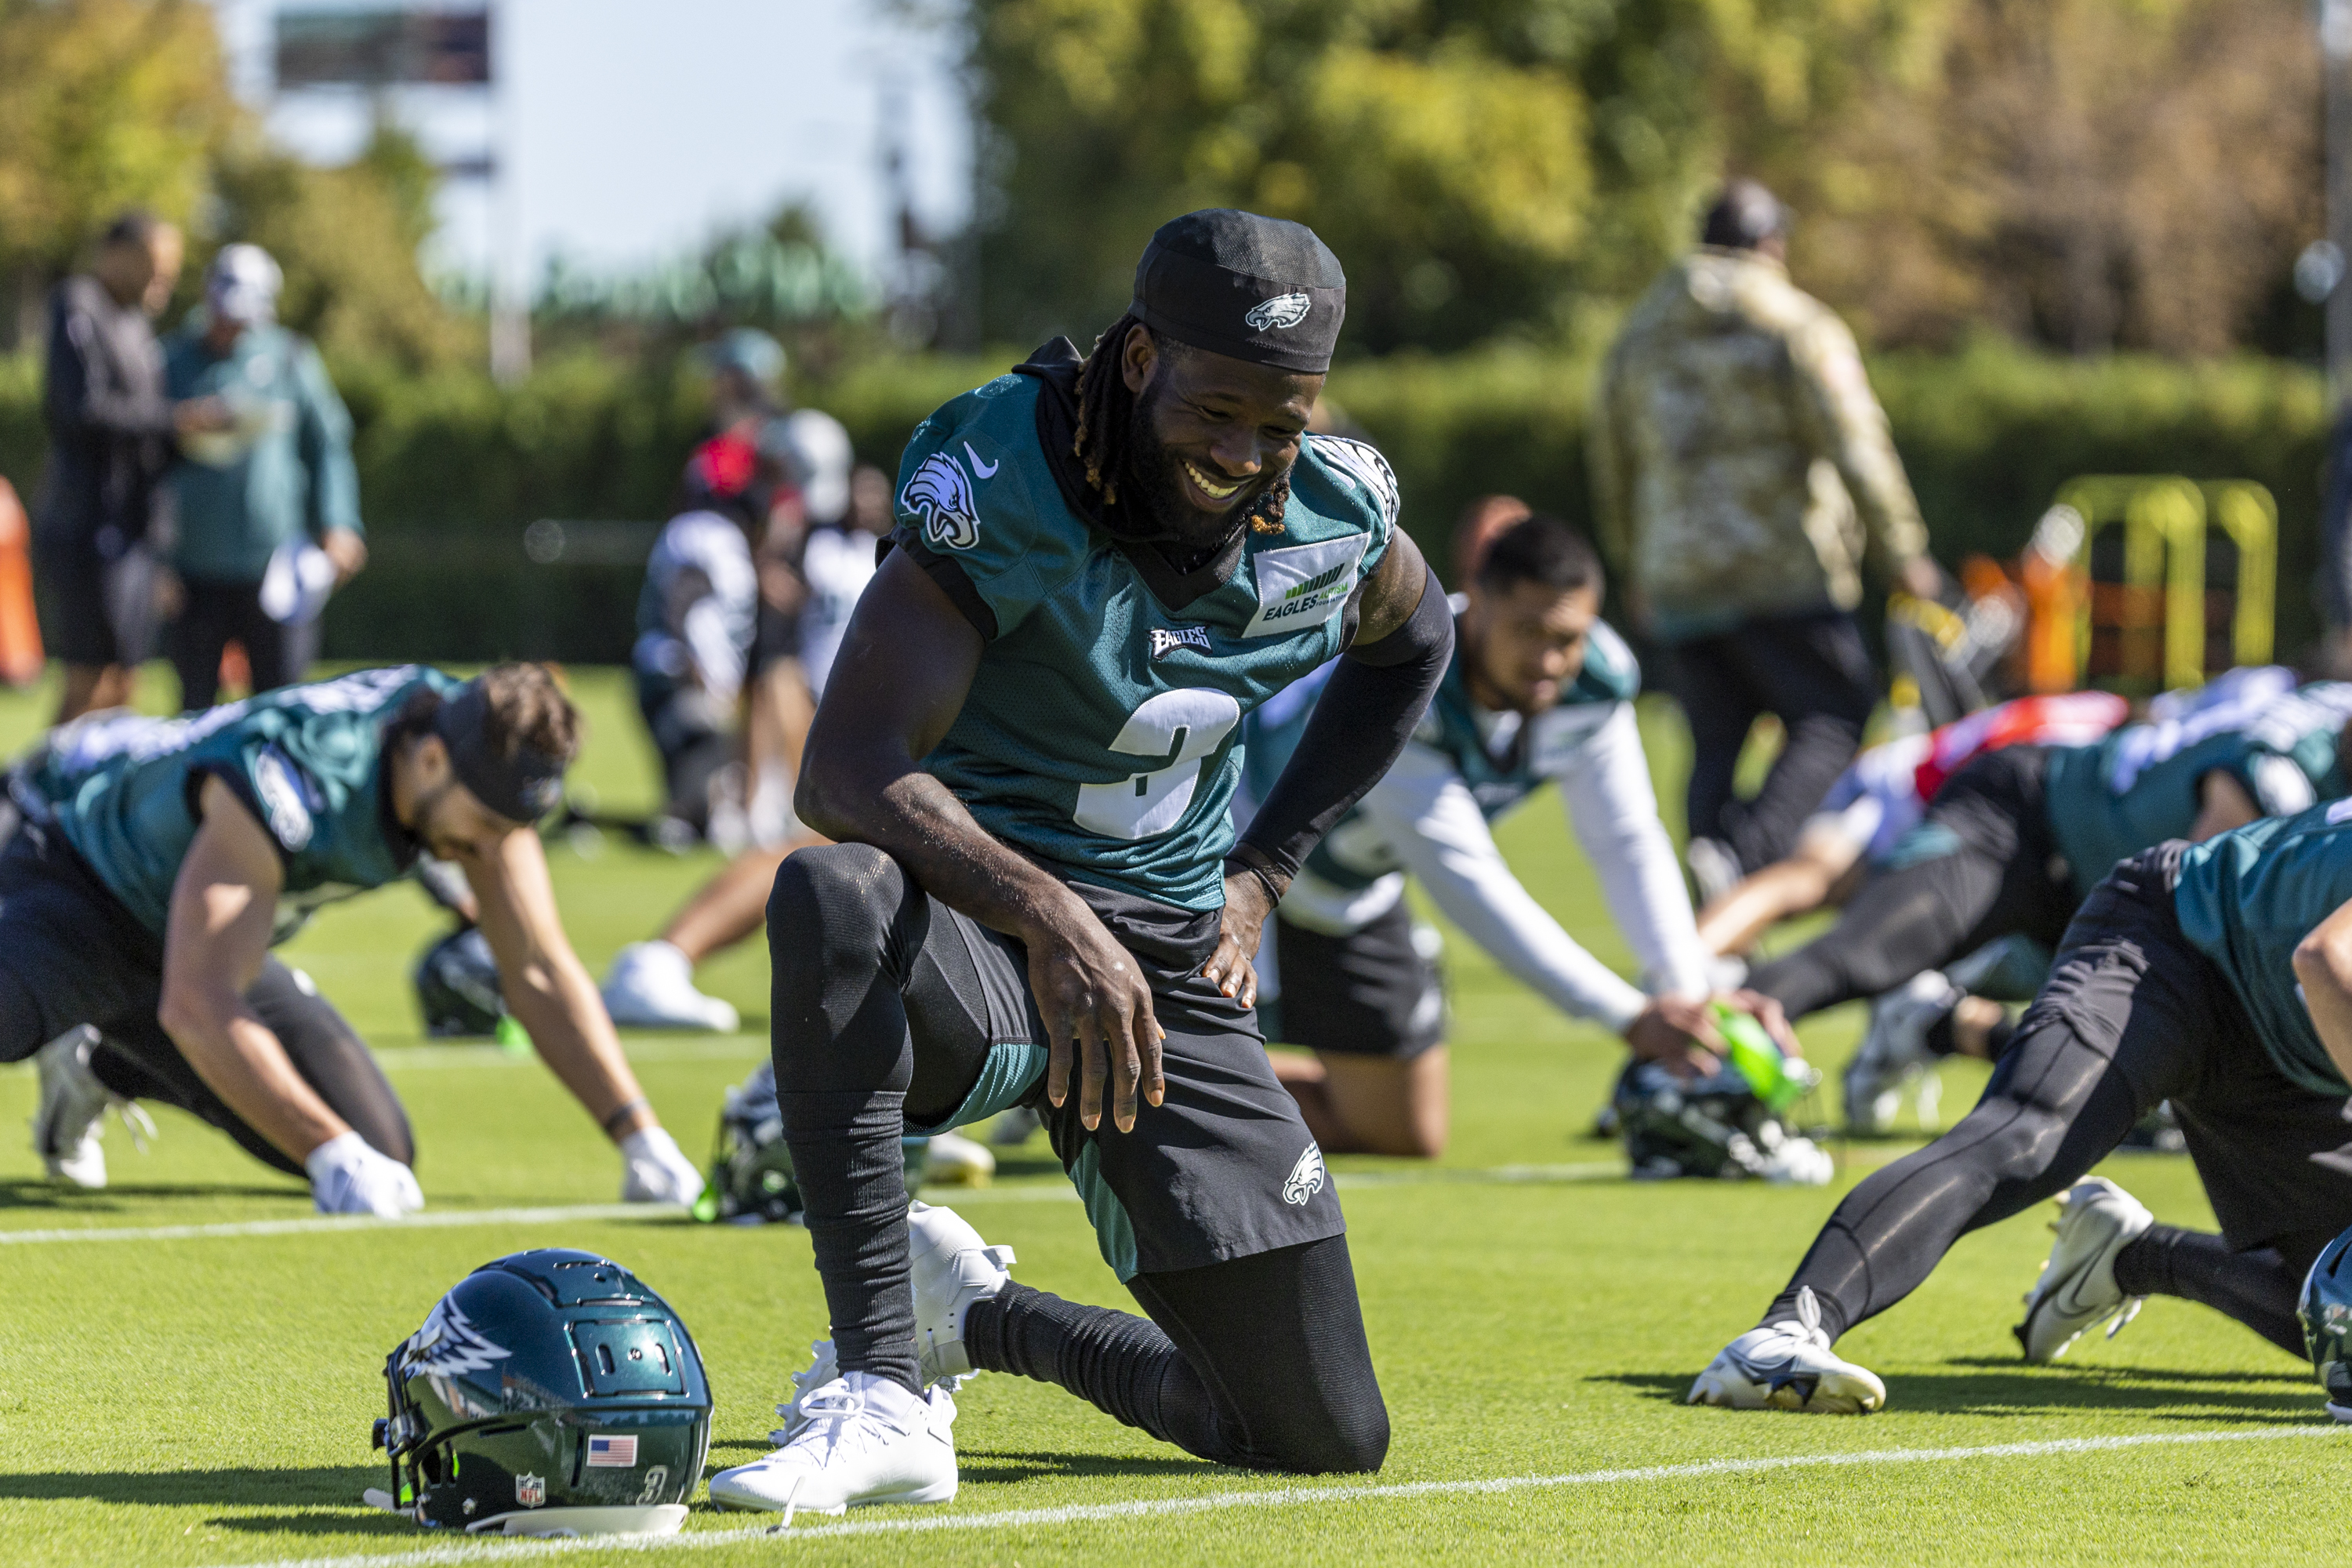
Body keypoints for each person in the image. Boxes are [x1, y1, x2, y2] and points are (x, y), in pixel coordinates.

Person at [707, 209, 1449, 1515]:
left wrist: (1265, 866)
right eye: (1217, 410)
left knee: (1318, 1429)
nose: (1243, 456)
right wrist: (1047, 912)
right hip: (974, 945)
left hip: (1162, 957)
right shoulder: (1004, 470)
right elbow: (846, 769)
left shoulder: (1330, 511)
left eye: (1281, 424)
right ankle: (882, 1386)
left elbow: (1414, 645)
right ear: (1139, 357)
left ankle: (979, 1318)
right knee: (834, 891)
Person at [1689, 799, 2352, 1413]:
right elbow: (2326, 959)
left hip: (2286, 1035)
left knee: (2343, 1318)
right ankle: (1785, 1332)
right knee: (2028, 1134)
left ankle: (2128, 1256)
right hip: (2173, 943)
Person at [0, 663, 705, 1213]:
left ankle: (97, 1063)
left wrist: (639, 1134)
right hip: (78, 882)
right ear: (430, 761)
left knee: (380, 1148)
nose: (492, 853)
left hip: (186, 938)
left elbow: (540, 969)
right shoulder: (299, 773)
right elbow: (198, 1000)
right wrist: (327, 1149)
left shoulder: (473, 745)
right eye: (486, 828)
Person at [1240, 507, 1795, 1160]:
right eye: (1528, 631)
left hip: (1347, 886)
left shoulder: (1595, 681)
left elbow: (1625, 841)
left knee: (1404, 1131)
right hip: (1234, 863)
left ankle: (1211, 1080)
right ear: (1475, 608)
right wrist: (1631, 1018)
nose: (1550, 660)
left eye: (1568, 637)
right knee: (1156, 1048)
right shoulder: (1405, 674)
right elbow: (1467, 879)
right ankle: (1169, 1074)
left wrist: (1687, 998)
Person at [1751, 673, 2352, 1123]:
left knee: (2124, 1083)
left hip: (2107, 903)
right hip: (2030, 825)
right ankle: (1689, 1046)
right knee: (1859, 956)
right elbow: (2197, 912)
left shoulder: (2321, 715)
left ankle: (1935, 1023)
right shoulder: (2288, 768)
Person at [1589, 179, 1941, 898]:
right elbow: (1858, 443)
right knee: (1834, 715)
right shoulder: (1795, 322)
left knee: (1714, 739)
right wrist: (1902, 551)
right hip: (1784, 568)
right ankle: (1745, 865)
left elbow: (1611, 457)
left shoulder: (1641, 332)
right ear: (1770, 244)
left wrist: (1635, 562)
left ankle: (1713, 914)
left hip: (1679, 573)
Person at [1695, 690, 2132, 959]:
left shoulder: (2093, 709)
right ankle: (1686, 963)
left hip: (1908, 779)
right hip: (1903, 793)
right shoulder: (2094, 743)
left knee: (1807, 896)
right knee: (1808, 882)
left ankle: (1710, 957)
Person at [31, 211, 222, 723]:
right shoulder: (79, 305)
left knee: (125, 682)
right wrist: (175, 421)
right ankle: (43, 798)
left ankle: (100, 798)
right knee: (89, 682)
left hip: (137, 531)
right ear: (114, 255)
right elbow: (82, 410)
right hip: (88, 526)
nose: (165, 279)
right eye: (154, 265)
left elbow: (147, 430)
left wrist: (196, 438)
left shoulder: (138, 326)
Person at [162, 244, 366, 710]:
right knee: (195, 711)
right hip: (194, 569)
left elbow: (328, 447)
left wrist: (340, 523)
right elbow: (144, 462)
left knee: (279, 707)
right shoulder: (171, 360)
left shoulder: (291, 357)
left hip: (277, 567)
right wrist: (156, 559)